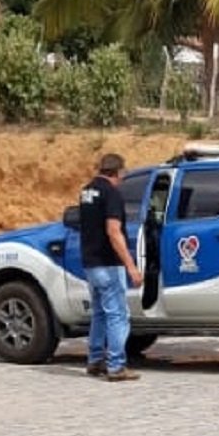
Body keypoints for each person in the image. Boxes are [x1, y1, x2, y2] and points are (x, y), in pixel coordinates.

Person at [78, 153, 143, 382]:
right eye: (122, 175)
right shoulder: (112, 193)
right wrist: (131, 266)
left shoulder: (86, 191)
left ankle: (95, 360)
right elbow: (113, 231)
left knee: (99, 313)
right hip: (108, 263)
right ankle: (116, 366)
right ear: (118, 172)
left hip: (91, 263)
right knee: (117, 315)